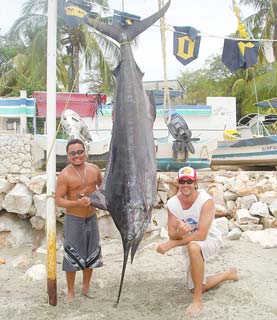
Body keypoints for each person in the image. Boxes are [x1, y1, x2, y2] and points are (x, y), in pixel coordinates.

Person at [156, 166, 238, 316]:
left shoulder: (206, 201)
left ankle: (197, 301)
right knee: (195, 286)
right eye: (182, 181)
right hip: (188, 242)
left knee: (193, 246)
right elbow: (172, 234)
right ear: (178, 183)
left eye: (189, 181)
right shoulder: (172, 204)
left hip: (210, 238)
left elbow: (201, 235)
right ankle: (228, 274)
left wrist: (172, 243)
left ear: (195, 183)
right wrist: (179, 234)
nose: (186, 184)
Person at [55, 138, 103, 302]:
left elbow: (104, 188)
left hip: (91, 217)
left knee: (91, 253)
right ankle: (70, 291)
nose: (77, 155)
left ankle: (85, 287)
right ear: (68, 156)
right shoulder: (64, 175)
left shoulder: (94, 169)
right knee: (72, 256)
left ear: (85, 152)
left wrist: (99, 200)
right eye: (72, 153)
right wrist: (77, 202)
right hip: (74, 219)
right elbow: (59, 200)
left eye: (80, 151)